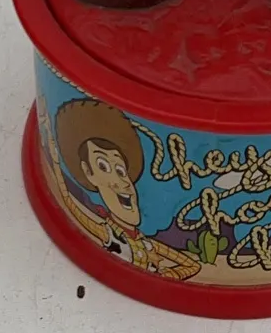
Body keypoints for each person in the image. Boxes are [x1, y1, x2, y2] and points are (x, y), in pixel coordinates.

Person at [50, 97, 200, 279]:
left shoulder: (147, 243)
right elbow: (69, 202)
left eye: (121, 171)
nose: (123, 183)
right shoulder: (108, 234)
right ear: (87, 172)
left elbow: (193, 265)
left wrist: (169, 275)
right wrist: (55, 163)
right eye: (103, 166)